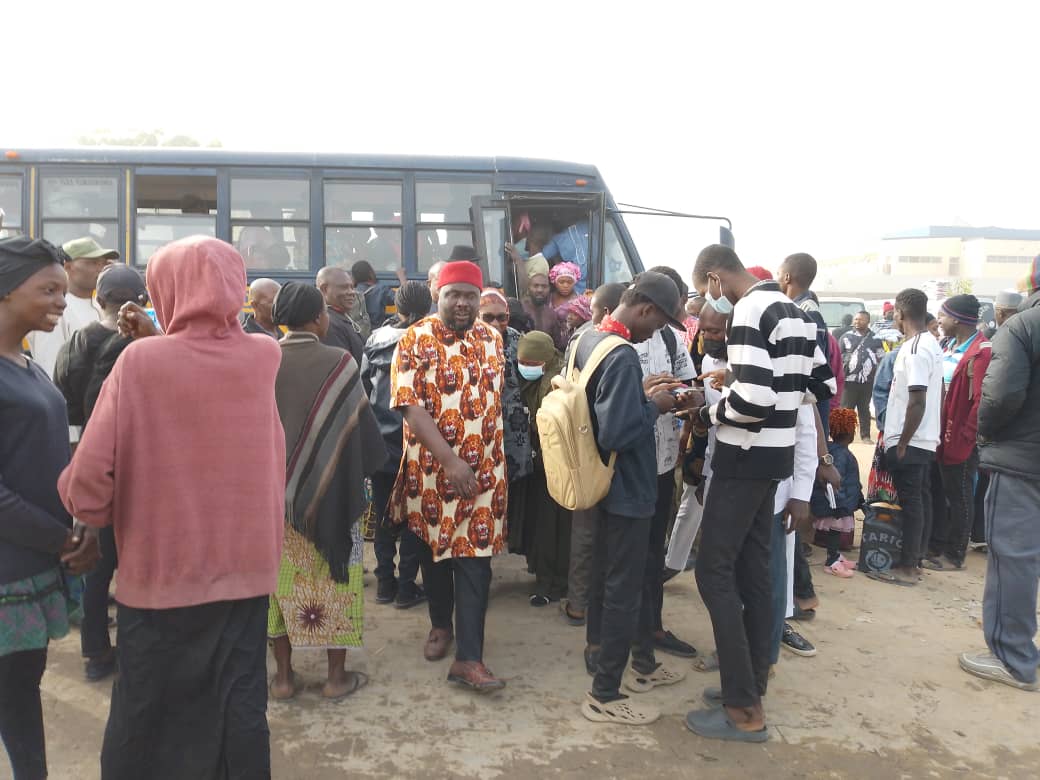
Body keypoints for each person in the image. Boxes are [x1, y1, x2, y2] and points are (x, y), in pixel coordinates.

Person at [58, 236, 286, 778]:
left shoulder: (140, 362)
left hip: (162, 573)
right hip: (246, 570)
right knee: (240, 704)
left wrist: (85, 517)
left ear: (165, 287)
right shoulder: (263, 355)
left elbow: (90, 474)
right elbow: (206, 360)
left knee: (147, 710)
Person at [687, 245, 835, 742]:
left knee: (712, 572)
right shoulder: (795, 311)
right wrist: (734, 382)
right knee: (752, 571)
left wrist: (706, 412)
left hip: (744, 454)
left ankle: (742, 708)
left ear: (714, 278)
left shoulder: (749, 309)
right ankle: (752, 680)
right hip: (775, 458)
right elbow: (818, 383)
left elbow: (751, 402)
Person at [576, 272, 697, 726]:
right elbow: (619, 430)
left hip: (602, 483)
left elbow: (598, 405)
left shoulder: (589, 338)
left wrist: (640, 397)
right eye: (661, 322)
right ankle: (604, 693)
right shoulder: (624, 354)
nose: (658, 332)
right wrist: (657, 406)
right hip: (628, 486)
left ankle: (636, 668)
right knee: (624, 590)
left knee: (610, 580)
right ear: (646, 309)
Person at [0, 236, 99, 780]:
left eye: (63, 290)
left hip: (36, 557)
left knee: (20, 693)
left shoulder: (25, 359)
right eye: (48, 290)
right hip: (10, 568)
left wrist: (79, 521)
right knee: (14, 695)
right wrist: (61, 537)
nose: (62, 302)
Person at [388, 260, 508, 691]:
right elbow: (410, 406)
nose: (462, 302)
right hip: (432, 475)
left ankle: (469, 659)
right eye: (453, 294)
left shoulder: (493, 339)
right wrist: (451, 462)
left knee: (476, 565)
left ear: (480, 298)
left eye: (469, 295)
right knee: (434, 556)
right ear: (437, 293)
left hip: (484, 477)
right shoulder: (414, 339)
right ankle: (441, 624)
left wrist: (478, 465)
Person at [267, 281, 386, 702]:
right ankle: (335, 679)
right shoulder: (338, 362)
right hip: (332, 497)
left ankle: (283, 678)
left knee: (280, 587)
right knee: (336, 580)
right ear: (319, 318)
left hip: (272, 503)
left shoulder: (262, 360)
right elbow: (361, 435)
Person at [53, 264, 146, 683]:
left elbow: (65, 406)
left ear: (98, 298)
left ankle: (95, 653)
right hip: (134, 469)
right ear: (141, 301)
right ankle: (133, 651)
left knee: (97, 565)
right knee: (134, 565)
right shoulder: (139, 347)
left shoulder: (75, 342)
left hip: (86, 464)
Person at [958, 270, 1040, 691]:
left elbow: (1001, 395)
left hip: (1023, 463)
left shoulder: (1023, 326)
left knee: (1014, 559)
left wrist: (987, 434)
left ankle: (1013, 658)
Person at [635, 265, 698, 660]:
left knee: (652, 551)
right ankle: (612, 635)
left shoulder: (674, 342)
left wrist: (685, 399)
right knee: (621, 554)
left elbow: (690, 391)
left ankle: (652, 628)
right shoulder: (608, 340)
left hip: (660, 463)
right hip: (619, 467)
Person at [362, 281, 432, 609]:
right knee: (414, 520)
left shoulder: (375, 339)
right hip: (416, 446)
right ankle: (406, 588)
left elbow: (364, 390)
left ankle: (384, 585)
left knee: (385, 517)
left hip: (380, 445)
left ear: (396, 307)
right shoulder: (429, 341)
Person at [868, 288, 943, 587]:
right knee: (920, 500)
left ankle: (908, 567)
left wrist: (901, 442)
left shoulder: (914, 349)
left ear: (899, 313)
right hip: (923, 437)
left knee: (911, 502)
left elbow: (917, 400)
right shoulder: (931, 344)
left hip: (910, 440)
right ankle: (915, 559)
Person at [563, 281, 628, 626]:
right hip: (608, 448)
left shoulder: (580, 339)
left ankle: (578, 603)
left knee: (585, 530)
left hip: (580, 447)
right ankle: (594, 605)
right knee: (607, 533)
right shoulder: (613, 345)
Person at [932, 295, 992, 571]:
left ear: (956, 319)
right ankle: (939, 545)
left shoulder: (981, 352)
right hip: (942, 432)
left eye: (943, 316)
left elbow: (982, 400)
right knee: (944, 491)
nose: (939, 321)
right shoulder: (948, 346)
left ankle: (956, 555)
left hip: (961, 437)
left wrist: (969, 434)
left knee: (961, 496)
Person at [478, 289, 536, 574]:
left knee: (513, 489)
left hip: (514, 429)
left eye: (502, 317)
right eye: (488, 317)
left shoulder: (516, 340)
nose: (497, 323)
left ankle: (508, 540)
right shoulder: (468, 341)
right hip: (478, 432)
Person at [515, 331, 570, 605]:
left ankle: (553, 583)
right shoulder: (528, 382)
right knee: (541, 523)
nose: (526, 367)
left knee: (553, 526)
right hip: (538, 464)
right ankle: (545, 576)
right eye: (522, 361)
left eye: (532, 362)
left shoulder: (557, 384)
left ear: (546, 361)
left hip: (557, 466)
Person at [25, 236, 115, 380]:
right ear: (67, 266)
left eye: (104, 263)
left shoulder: (101, 305)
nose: (101, 269)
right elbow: (51, 370)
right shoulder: (54, 310)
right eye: (93, 263)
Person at [810, 408, 863, 576]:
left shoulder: (832, 451)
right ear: (850, 433)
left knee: (835, 533)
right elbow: (834, 482)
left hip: (839, 502)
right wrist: (838, 505)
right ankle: (831, 562)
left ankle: (836, 556)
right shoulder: (841, 455)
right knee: (834, 532)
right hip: (837, 504)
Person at [839, 311, 883, 443]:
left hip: (867, 381)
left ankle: (865, 436)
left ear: (868, 321)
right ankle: (843, 437)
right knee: (847, 410)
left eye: (861, 320)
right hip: (849, 380)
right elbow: (837, 355)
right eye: (856, 319)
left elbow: (881, 357)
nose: (857, 322)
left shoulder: (875, 338)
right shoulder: (846, 337)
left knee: (864, 409)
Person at [317, 265, 365, 364]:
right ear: (325, 289)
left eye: (352, 287)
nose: (352, 292)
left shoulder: (339, 317)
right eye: (344, 287)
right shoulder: (327, 324)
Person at [516, 253, 564, 349]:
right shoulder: (519, 309)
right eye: (536, 286)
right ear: (529, 288)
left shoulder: (552, 315)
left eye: (544, 286)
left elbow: (558, 346)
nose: (540, 290)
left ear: (549, 289)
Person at [541, 219, 590, 294]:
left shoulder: (558, 238)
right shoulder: (592, 224)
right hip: (589, 292)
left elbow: (540, 257)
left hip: (580, 292)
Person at [352, 259, 396, 332]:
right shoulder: (381, 290)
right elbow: (403, 298)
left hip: (359, 333)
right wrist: (402, 278)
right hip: (377, 332)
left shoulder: (352, 292)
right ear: (371, 273)